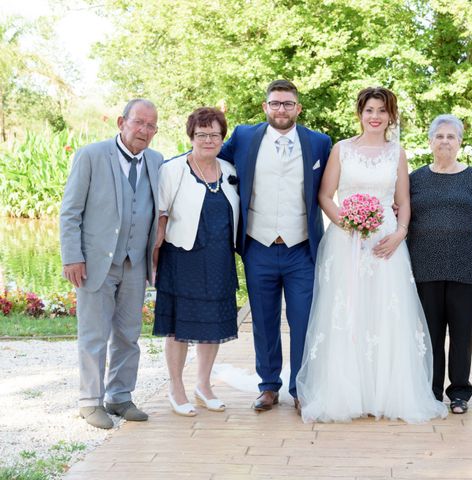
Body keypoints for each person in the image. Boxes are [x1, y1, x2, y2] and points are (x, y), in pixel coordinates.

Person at [296, 87, 448, 423]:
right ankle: (348, 393)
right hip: (346, 241)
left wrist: (399, 234)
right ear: (360, 114)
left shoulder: (397, 153)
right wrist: (346, 223)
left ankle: (385, 393)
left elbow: (404, 201)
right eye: (369, 110)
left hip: (385, 242)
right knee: (347, 310)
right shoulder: (342, 150)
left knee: (385, 312)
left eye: (381, 110)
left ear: (390, 116)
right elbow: (325, 195)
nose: (375, 116)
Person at [218, 80, 332, 412]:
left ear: (298, 108)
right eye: (275, 103)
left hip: (302, 248)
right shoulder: (243, 137)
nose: (281, 109)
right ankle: (268, 386)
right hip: (258, 245)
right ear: (265, 107)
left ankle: (300, 387)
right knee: (264, 320)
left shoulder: (319, 143)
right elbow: (210, 161)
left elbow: (340, 179)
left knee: (302, 321)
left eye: (287, 103)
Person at [60, 99, 163, 429]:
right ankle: (90, 401)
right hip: (95, 261)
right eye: (138, 123)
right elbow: (70, 212)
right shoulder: (91, 156)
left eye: (151, 126)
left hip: (135, 263)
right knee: (93, 334)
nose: (144, 131)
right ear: (122, 122)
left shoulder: (157, 162)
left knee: (129, 335)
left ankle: (119, 396)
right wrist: (72, 256)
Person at [407, 114, 472, 414]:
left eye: (451, 136)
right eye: (440, 136)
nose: (445, 141)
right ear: (430, 141)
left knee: (462, 334)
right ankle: (431, 391)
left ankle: (459, 392)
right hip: (424, 267)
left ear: (460, 142)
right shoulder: (415, 179)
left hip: (466, 267)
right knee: (430, 334)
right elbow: (402, 219)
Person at [152, 107, 240, 416]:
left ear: (222, 138)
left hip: (219, 258)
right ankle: (176, 388)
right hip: (182, 258)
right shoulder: (173, 169)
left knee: (212, 325)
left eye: (214, 134)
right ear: (191, 136)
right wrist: (154, 259)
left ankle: (203, 386)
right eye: (201, 134)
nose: (208, 140)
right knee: (179, 327)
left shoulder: (230, 170)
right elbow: (160, 217)